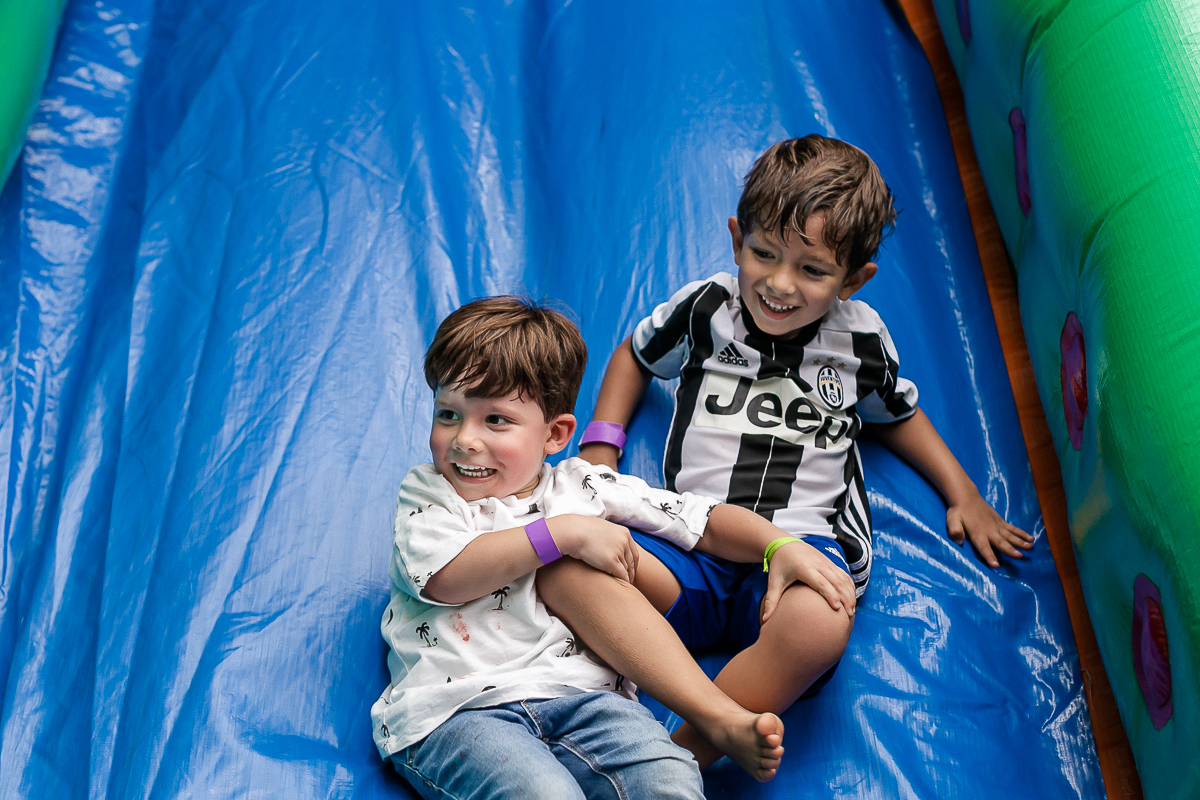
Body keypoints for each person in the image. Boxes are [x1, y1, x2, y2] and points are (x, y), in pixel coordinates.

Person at [569, 134, 1035, 769]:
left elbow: (898, 415)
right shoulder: (706, 309)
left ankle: (679, 758)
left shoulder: (860, 341)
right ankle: (716, 719)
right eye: (763, 254)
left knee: (820, 623)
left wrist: (965, 495)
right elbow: (633, 354)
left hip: (798, 551)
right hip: (692, 544)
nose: (779, 284)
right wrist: (601, 447)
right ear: (738, 239)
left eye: (813, 270)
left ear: (854, 279)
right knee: (574, 568)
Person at [372, 296, 810, 799]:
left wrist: (778, 545)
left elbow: (701, 520)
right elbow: (446, 577)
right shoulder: (430, 495)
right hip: (457, 711)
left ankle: (712, 725)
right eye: (448, 414)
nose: (464, 440)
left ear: (555, 434)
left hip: (588, 702)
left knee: (669, 777)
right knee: (542, 794)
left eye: (496, 421)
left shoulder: (584, 487)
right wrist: (563, 535)